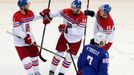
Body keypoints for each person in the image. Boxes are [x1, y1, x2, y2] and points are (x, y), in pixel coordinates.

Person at [41, 0, 87, 75]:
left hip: (75, 41)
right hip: (65, 37)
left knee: (69, 58)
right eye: (72, 7)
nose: (72, 9)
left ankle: (61, 73)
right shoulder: (66, 11)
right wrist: (49, 16)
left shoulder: (82, 18)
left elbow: (79, 32)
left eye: (74, 8)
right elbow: (57, 13)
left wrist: (66, 28)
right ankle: (52, 71)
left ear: (79, 8)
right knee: (58, 55)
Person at [12, 0, 52, 75]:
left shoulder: (30, 12)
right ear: (23, 7)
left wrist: (42, 14)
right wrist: (24, 36)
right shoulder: (16, 16)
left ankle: (37, 72)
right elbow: (16, 30)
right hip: (20, 42)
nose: (29, 5)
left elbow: (34, 18)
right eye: (27, 4)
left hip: (31, 40)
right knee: (26, 61)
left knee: (35, 58)